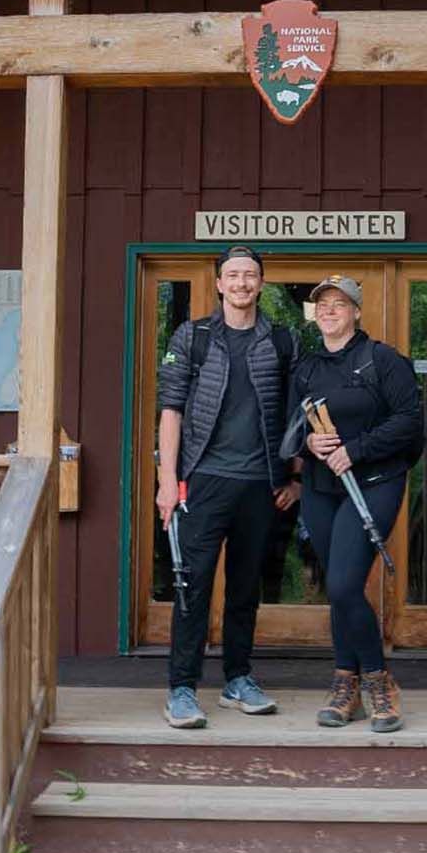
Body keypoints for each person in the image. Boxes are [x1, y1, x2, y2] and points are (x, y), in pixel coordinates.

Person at [154, 246, 300, 729]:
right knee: (191, 586)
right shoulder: (193, 337)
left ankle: (238, 679)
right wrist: (167, 485)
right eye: (233, 275)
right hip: (202, 481)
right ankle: (182, 688)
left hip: (261, 484)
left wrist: (294, 475)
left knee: (244, 589)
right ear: (218, 283)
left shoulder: (281, 340)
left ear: (261, 284)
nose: (241, 283)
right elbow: (170, 412)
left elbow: (296, 414)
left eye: (250, 276)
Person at [282, 274, 423, 733]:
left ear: (356, 312)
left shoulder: (383, 361)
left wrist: (355, 449)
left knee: (343, 585)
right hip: (322, 488)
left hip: (376, 482)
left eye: (339, 304)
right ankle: (346, 684)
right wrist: (309, 443)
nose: (329, 311)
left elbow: (409, 421)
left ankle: (379, 683)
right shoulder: (306, 368)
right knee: (339, 588)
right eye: (322, 304)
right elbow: (288, 428)